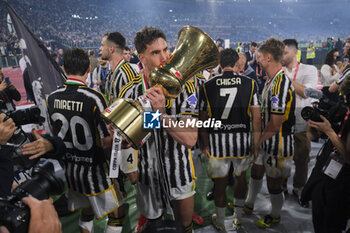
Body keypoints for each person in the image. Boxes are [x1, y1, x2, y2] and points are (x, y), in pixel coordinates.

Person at [118, 26, 197, 233]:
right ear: (141, 57)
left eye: (166, 50)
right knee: (154, 228)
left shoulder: (187, 87)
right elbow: (127, 140)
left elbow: (190, 139)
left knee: (185, 228)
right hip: (147, 176)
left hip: (179, 173)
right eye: (156, 52)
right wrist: (123, 136)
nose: (164, 57)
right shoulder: (129, 92)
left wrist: (161, 114)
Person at [47, 48, 123, 233]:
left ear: (64, 68)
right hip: (95, 171)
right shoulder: (94, 97)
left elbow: (54, 137)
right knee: (116, 215)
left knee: (86, 211)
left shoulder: (51, 98)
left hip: (71, 172)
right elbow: (106, 141)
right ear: (89, 68)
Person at [199, 48, 261, 231]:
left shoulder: (207, 86)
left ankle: (220, 220)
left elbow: (203, 118)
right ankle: (238, 218)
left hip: (218, 142)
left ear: (219, 64)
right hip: (241, 141)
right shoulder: (250, 84)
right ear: (237, 64)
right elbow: (256, 117)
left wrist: (204, 143)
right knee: (241, 178)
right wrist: (255, 143)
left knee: (220, 182)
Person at [243, 38, 295, 229]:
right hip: (267, 140)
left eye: (260, 56)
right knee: (256, 172)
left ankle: (275, 215)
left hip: (278, 143)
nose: (257, 59)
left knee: (274, 183)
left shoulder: (280, 83)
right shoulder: (270, 81)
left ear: (269, 58)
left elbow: (275, 123)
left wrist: (257, 141)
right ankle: (249, 204)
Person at [302, 76, 350, 233]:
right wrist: (313, 123)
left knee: (331, 225)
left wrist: (329, 131)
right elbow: (313, 137)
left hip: (342, 184)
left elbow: (348, 156)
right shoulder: (342, 110)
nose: (344, 100)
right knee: (319, 219)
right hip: (323, 174)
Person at [281, 39, 318, 204]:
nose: (281, 56)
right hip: (282, 118)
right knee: (282, 157)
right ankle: (281, 186)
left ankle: (299, 187)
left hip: (302, 118)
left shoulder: (308, 69)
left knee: (302, 158)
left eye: (285, 52)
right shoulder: (279, 70)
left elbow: (306, 93)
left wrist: (283, 77)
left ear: (295, 52)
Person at [99, 32, 137, 104]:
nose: (100, 48)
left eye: (102, 45)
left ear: (111, 49)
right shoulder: (111, 73)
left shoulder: (127, 74)